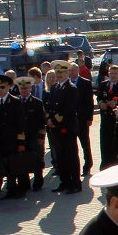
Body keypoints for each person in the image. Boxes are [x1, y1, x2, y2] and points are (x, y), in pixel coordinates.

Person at [45, 61, 82, 194]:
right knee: (60, 156)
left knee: (71, 155)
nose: (59, 75)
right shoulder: (55, 87)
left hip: (67, 127)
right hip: (56, 128)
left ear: (67, 73)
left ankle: (75, 183)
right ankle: (64, 181)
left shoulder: (71, 88)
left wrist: (54, 120)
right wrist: (49, 119)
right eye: (57, 72)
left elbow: (69, 110)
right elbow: (51, 106)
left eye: (62, 72)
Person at [0, 74, 27, 201]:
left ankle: (20, 190)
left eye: (2, 87)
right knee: (5, 166)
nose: (0, 90)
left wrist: (21, 142)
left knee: (16, 165)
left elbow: (21, 123)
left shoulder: (15, 101)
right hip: (1, 141)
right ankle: (10, 189)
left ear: (8, 87)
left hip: (13, 140)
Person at [15, 75, 46, 194]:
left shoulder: (37, 103)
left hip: (34, 136)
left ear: (30, 89)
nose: (23, 91)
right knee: (22, 161)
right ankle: (24, 184)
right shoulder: (16, 102)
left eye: (26, 88)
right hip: (22, 137)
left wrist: (41, 137)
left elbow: (41, 122)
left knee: (36, 159)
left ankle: (38, 182)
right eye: (21, 89)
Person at [97, 64, 118, 168]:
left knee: (117, 145)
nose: (113, 75)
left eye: (115, 73)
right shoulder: (103, 84)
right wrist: (101, 103)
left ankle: (117, 164)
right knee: (105, 143)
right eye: (111, 73)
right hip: (106, 119)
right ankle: (105, 164)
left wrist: (117, 104)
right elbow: (99, 97)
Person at [68, 58, 95, 176]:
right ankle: (74, 167)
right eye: (69, 71)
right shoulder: (67, 84)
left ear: (78, 70)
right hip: (70, 120)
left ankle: (88, 165)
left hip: (83, 119)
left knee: (85, 144)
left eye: (73, 70)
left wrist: (90, 118)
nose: (71, 73)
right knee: (72, 146)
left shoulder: (85, 83)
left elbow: (89, 102)